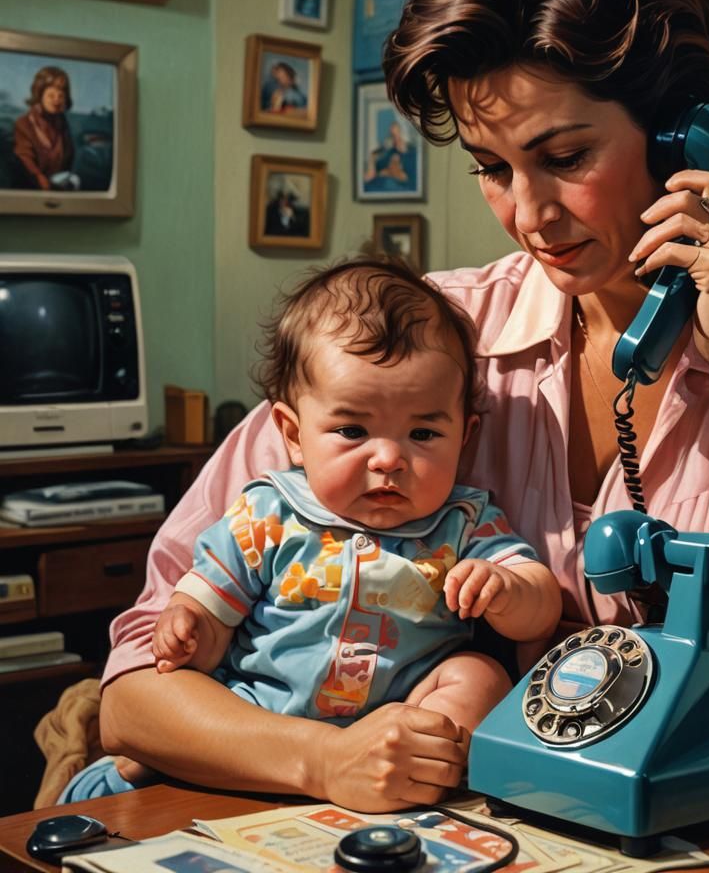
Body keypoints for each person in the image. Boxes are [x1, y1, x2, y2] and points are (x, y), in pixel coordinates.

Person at [98, 0, 709, 813]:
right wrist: (320, 759)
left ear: (687, 139)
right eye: (493, 168)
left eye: (565, 156)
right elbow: (134, 693)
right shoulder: (423, 337)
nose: (529, 217)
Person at [68, 258, 561, 802]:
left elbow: (540, 609)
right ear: (292, 433)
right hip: (263, 716)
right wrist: (189, 625)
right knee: (192, 691)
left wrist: (507, 590)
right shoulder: (269, 513)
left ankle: (428, 775)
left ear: (464, 437)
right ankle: (147, 774)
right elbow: (208, 612)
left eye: (423, 434)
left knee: (480, 674)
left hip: (401, 721)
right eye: (352, 430)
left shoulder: (464, 521)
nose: (388, 458)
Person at [13, 66, 80, 191]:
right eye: (51, 95)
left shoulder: (63, 124)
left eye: (61, 96)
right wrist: (40, 180)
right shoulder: (24, 124)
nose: (56, 100)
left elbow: (68, 161)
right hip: (30, 190)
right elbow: (24, 159)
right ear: (39, 95)